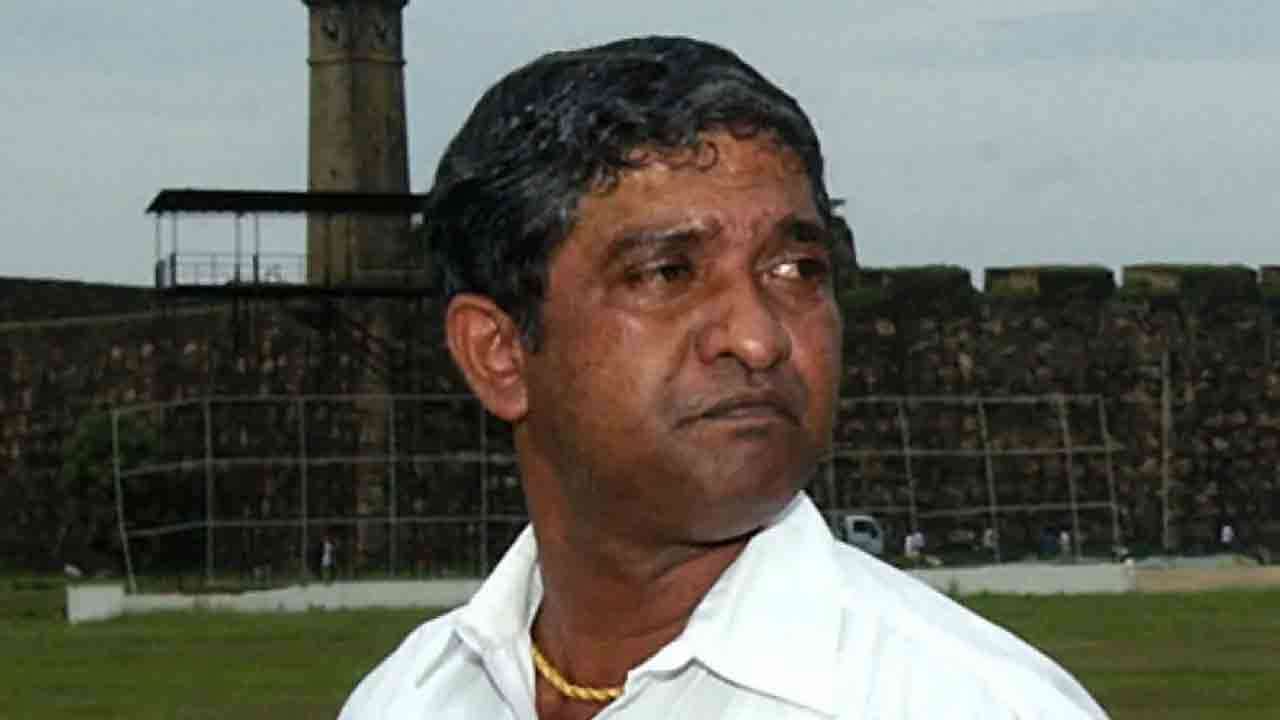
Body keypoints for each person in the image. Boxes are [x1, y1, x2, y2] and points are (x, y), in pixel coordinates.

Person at [339, 36, 1108, 719]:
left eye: (796, 269)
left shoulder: (969, 702)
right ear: (499, 354)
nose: (758, 337)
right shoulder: (408, 698)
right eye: (667, 272)